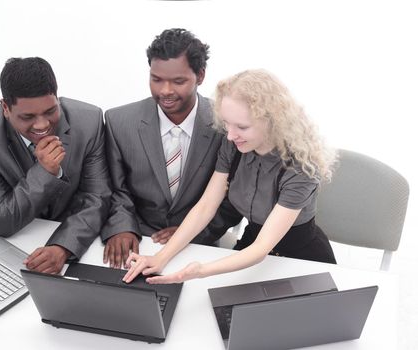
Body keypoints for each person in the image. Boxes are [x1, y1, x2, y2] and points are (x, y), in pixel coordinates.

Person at [123, 69, 337, 284]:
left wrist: (200, 271)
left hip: (301, 257)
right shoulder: (233, 145)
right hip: (250, 244)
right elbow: (206, 206)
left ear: (274, 121)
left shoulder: (300, 168)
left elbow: (262, 248)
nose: (231, 135)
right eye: (227, 123)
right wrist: (160, 258)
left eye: (242, 127)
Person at [101, 28, 242, 268]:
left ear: (200, 76)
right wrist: (123, 227)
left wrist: (195, 233)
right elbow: (115, 187)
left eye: (178, 81)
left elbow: (235, 198)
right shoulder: (118, 122)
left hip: (199, 246)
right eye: (156, 79)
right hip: (137, 238)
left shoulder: (227, 125)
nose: (165, 90)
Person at [0, 57, 111, 274]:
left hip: (65, 224)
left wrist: (62, 247)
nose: (42, 124)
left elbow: (97, 198)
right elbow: (0, 222)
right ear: (5, 107)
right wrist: (44, 172)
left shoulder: (90, 121)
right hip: (13, 236)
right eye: (28, 116)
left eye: (51, 111)